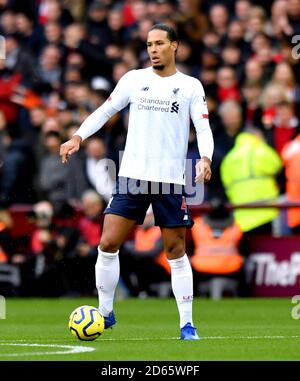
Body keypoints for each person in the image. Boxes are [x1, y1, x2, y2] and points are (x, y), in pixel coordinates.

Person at [60, 23, 214, 340]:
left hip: (170, 181)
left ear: (175, 46)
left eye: (159, 43)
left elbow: (203, 128)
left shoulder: (190, 86)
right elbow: (105, 111)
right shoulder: (134, 79)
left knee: (175, 251)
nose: (153, 49)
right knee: (107, 243)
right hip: (132, 177)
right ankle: (105, 313)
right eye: (148, 44)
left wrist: (205, 158)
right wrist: (78, 136)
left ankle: (187, 324)